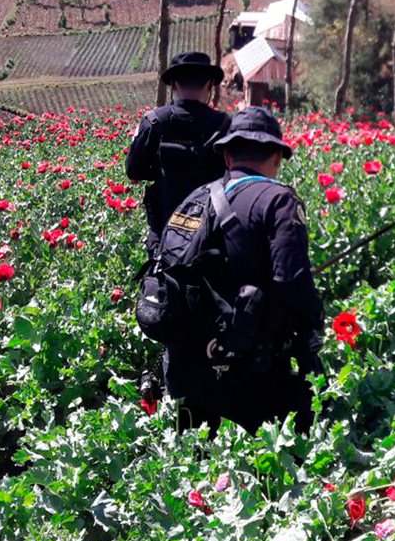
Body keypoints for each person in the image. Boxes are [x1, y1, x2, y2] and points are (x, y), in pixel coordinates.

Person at [160, 107, 322, 434]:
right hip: (245, 375)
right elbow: (292, 283)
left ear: (227, 155)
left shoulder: (194, 199)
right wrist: (314, 326)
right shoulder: (278, 200)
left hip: (184, 364)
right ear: (277, 156)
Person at [126, 52, 230, 253]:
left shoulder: (154, 122)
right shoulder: (225, 126)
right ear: (209, 85)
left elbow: (133, 171)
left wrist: (161, 169)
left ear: (173, 85)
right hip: (210, 236)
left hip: (165, 235)